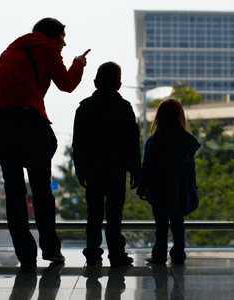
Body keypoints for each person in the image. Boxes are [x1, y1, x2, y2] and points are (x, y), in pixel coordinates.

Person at [0, 17, 89, 271]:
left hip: (0, 127)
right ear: (52, 36)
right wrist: (78, 63)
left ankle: (25, 255)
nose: (64, 44)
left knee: (14, 193)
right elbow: (67, 85)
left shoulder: (7, 53)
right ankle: (52, 250)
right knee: (42, 192)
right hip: (28, 121)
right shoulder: (46, 48)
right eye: (63, 38)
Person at [72, 62, 141, 267]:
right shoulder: (125, 108)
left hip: (93, 169)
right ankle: (116, 254)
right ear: (119, 85)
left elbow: (78, 143)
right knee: (114, 215)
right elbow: (132, 143)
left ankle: (93, 252)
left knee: (94, 213)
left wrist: (80, 170)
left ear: (95, 83)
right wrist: (135, 170)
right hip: (116, 169)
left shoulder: (84, 108)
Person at [137, 98, 201, 265]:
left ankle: (159, 254)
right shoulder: (186, 141)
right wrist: (193, 186)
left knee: (161, 225)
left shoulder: (154, 140)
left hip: (158, 188)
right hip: (180, 187)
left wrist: (142, 188)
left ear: (159, 117)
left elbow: (147, 167)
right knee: (178, 222)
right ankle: (178, 254)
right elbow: (190, 168)